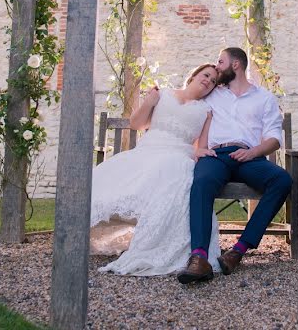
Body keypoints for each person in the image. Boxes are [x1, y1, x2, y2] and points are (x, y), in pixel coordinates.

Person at [88, 64, 221, 276]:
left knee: (168, 171)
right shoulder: (163, 94)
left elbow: (201, 146)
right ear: (194, 75)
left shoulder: (205, 111)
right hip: (148, 150)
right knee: (114, 174)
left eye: (213, 81)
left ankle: (158, 244)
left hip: (179, 155)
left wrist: (201, 152)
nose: (208, 81)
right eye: (206, 75)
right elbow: (136, 124)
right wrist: (149, 102)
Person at [177, 47, 293, 284]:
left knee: (282, 180)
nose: (216, 67)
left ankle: (238, 250)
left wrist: (253, 152)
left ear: (236, 65)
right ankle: (199, 258)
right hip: (216, 155)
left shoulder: (264, 98)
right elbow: (187, 100)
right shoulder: (214, 93)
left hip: (249, 157)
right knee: (201, 181)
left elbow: (274, 138)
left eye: (221, 62)